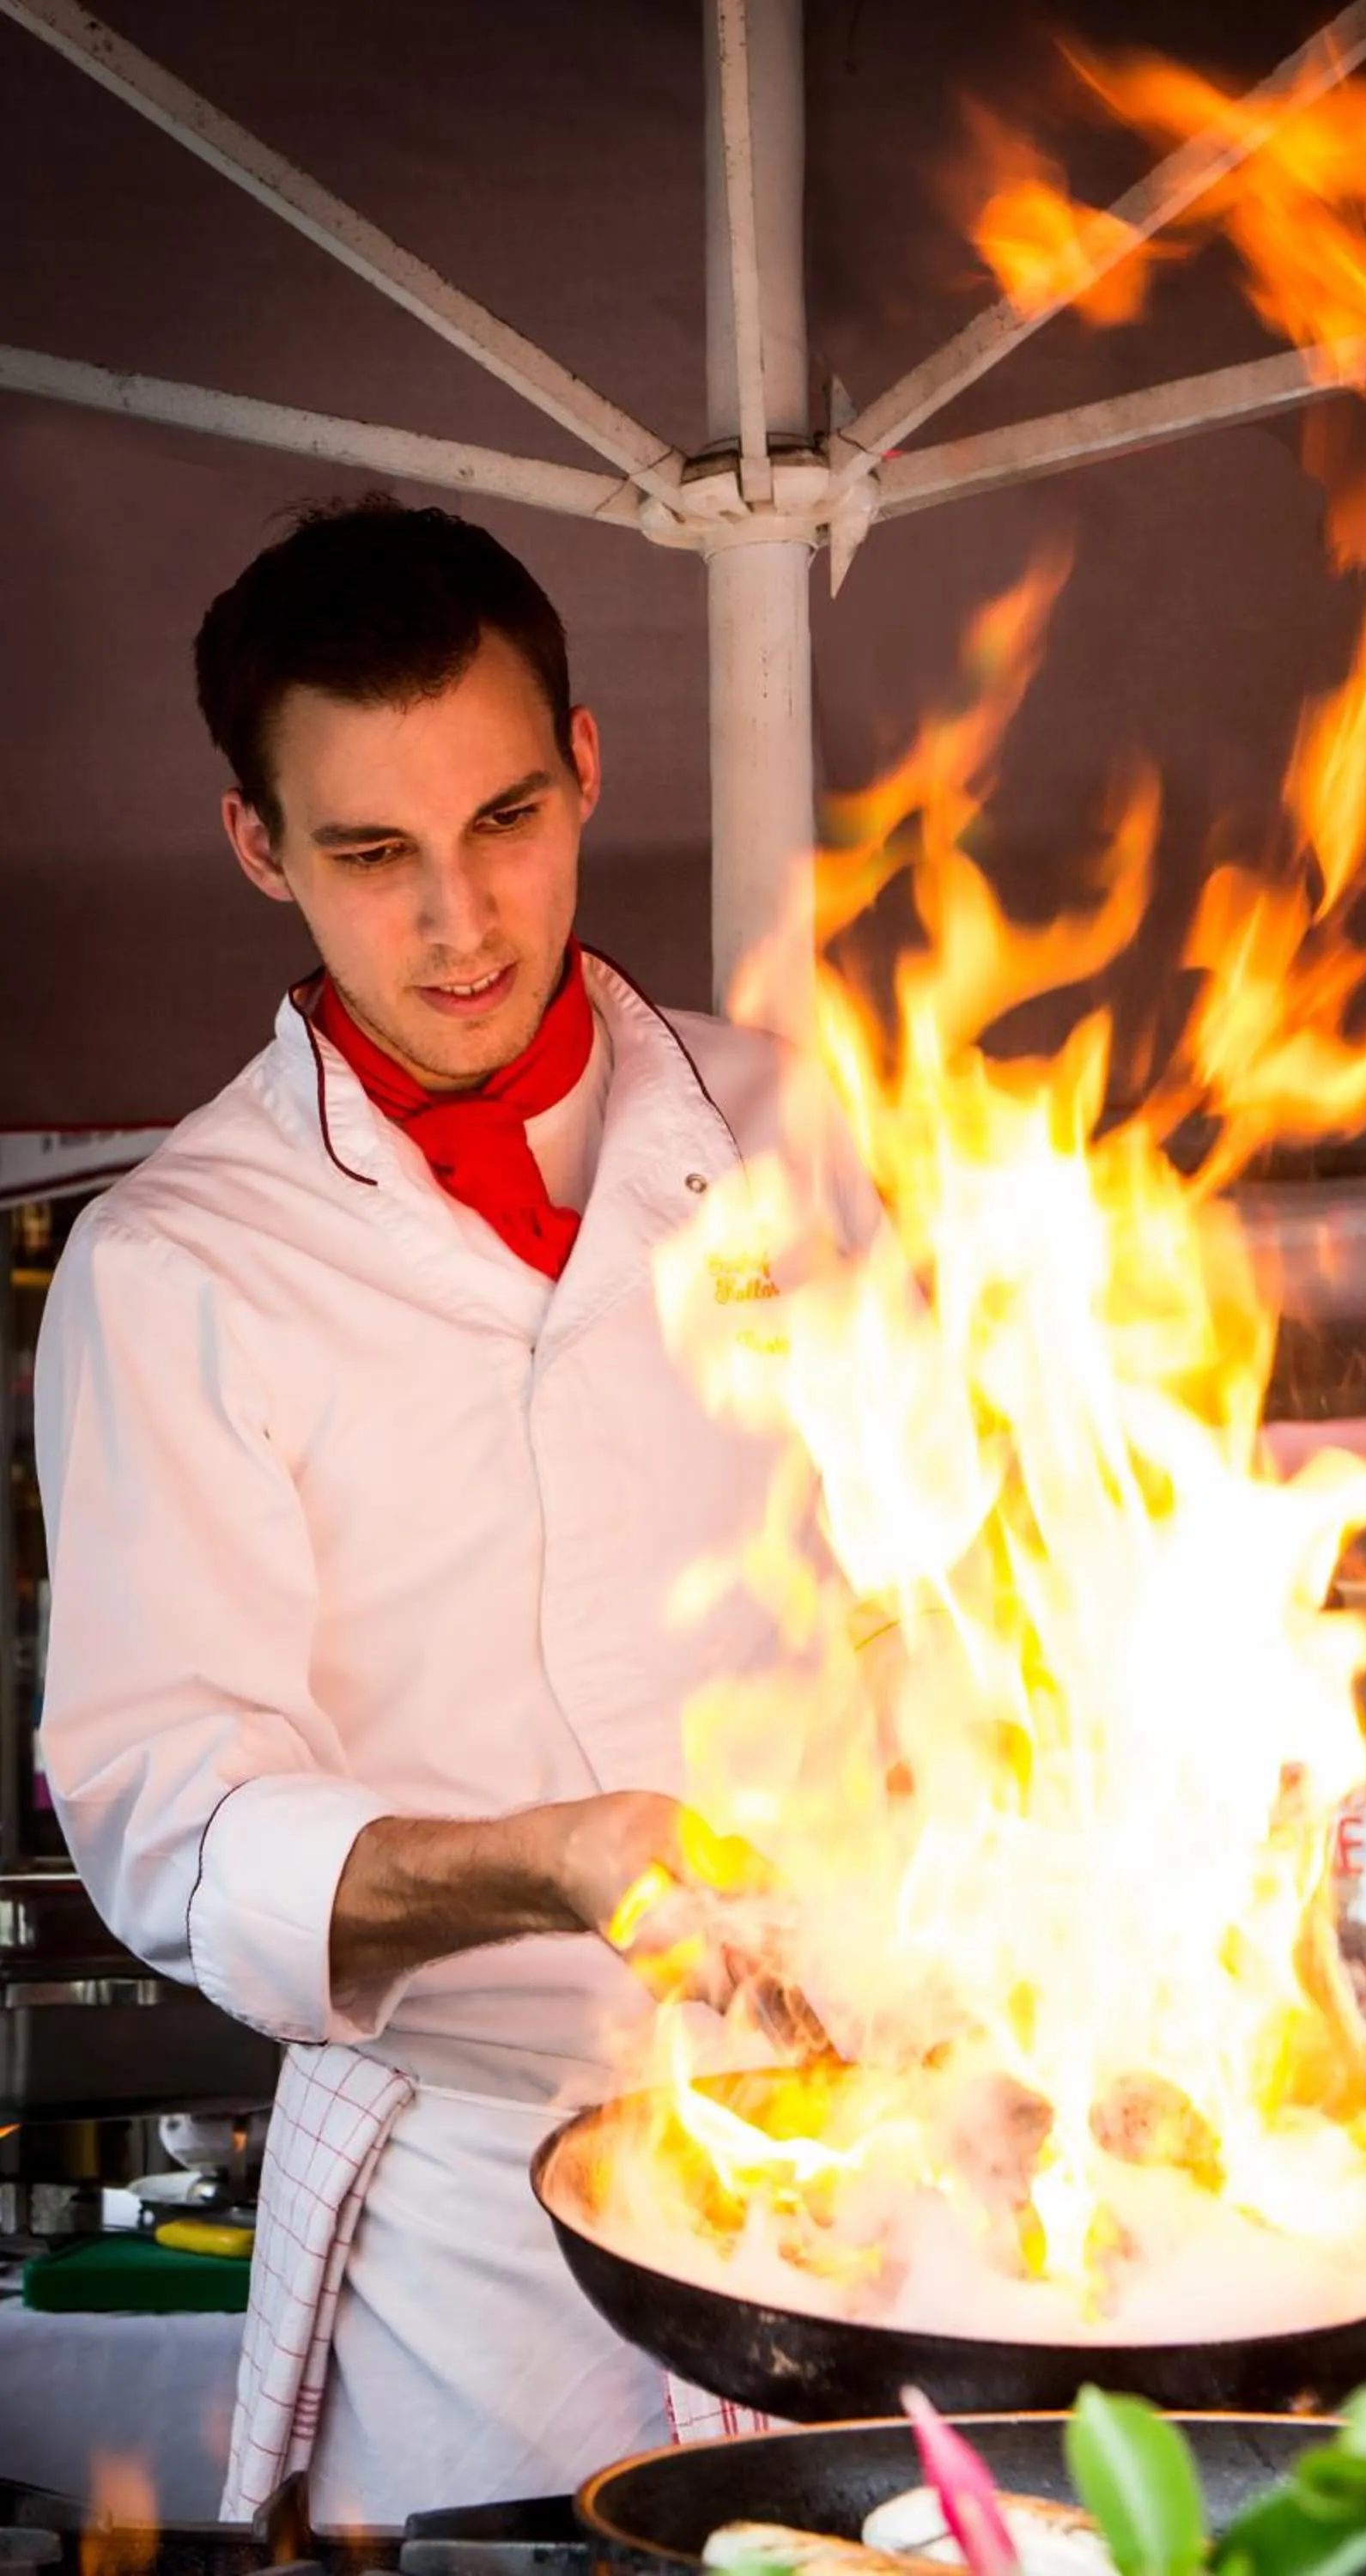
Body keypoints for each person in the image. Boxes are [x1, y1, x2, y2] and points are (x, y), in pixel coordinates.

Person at [33, 497, 877, 2522]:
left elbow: (931, 1591)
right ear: (258, 847)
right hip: (473, 2227)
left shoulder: (792, 1129)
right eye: (371, 855)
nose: (462, 923)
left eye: (505, 820)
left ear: (588, 764)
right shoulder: (178, 1265)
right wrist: (550, 1863)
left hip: (861, 2153)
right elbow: (171, 1816)